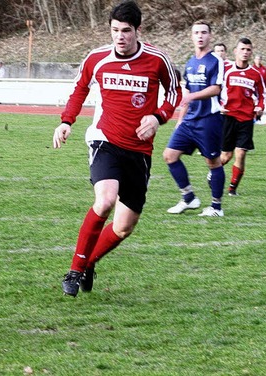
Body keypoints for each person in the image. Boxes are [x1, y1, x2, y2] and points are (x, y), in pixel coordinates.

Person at [53, 0, 181, 297]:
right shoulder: (97, 58)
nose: (119, 36)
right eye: (114, 30)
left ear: (137, 30)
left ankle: (88, 263)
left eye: (125, 30)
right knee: (105, 199)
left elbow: (175, 91)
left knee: (124, 227)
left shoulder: (157, 59)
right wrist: (66, 121)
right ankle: (74, 270)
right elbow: (80, 88)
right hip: (104, 140)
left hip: (139, 150)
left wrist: (158, 117)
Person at [163, 20, 225, 217]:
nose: (200, 36)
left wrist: (191, 96)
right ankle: (189, 198)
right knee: (169, 155)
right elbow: (187, 93)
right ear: (191, 36)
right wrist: (180, 120)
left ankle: (216, 207)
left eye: (204, 32)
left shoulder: (215, 61)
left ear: (210, 36)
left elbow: (216, 88)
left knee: (213, 162)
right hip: (189, 120)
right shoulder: (190, 62)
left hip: (209, 120)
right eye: (196, 32)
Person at [220, 38, 266, 196]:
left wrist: (260, 106)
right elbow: (218, 91)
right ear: (235, 51)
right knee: (226, 156)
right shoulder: (226, 71)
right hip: (228, 117)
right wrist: (219, 105)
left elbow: (262, 94)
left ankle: (232, 188)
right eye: (242, 49)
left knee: (241, 153)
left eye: (248, 50)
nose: (245, 52)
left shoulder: (255, 74)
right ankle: (214, 173)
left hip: (246, 119)